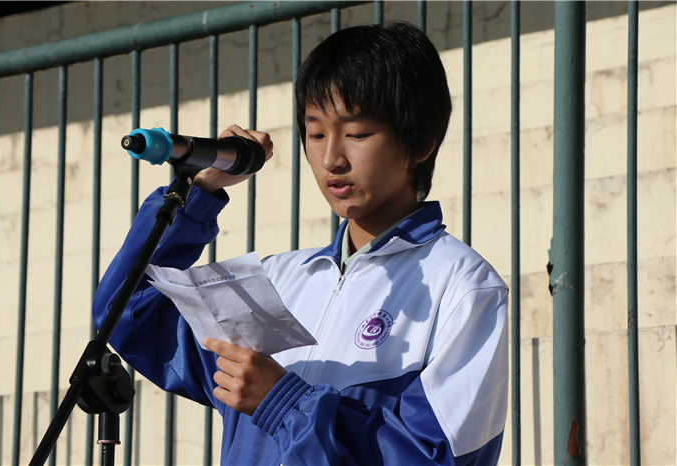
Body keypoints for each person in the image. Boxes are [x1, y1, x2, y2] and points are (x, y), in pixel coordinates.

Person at [93, 21, 508, 465]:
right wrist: (200, 194)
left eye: (356, 133)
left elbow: (433, 456)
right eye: (316, 133)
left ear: (420, 142)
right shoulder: (276, 280)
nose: (331, 158)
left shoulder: (465, 287)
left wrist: (283, 402)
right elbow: (128, 312)